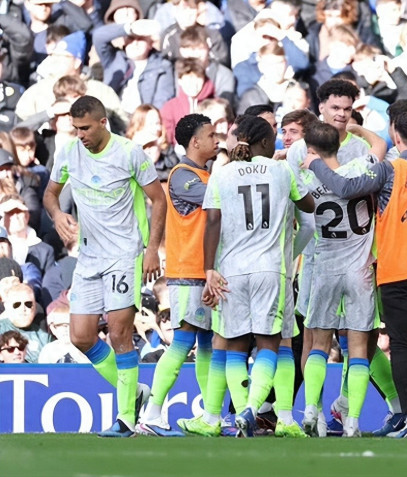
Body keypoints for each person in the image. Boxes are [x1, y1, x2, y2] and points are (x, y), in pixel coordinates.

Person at [304, 111, 407, 438]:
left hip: (385, 268)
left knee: (392, 344)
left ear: (396, 136)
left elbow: (342, 188)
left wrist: (312, 163)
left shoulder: (384, 170)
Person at [43, 95, 167, 438]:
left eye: (85, 128)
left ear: (103, 122)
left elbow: (158, 200)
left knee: (119, 334)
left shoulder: (129, 152)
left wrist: (152, 249)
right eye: (76, 128)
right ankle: (135, 391)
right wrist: (57, 214)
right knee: (80, 336)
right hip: (88, 257)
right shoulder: (69, 152)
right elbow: (50, 194)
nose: (80, 134)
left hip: (124, 255)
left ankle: (125, 419)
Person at [187, 115, 313, 439]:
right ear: (267, 142)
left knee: (235, 345)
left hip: (230, 271)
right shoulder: (281, 170)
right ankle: (253, 410)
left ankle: (237, 413)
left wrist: (209, 269)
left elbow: (211, 222)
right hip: (270, 268)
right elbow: (309, 207)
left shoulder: (222, 173)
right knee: (272, 343)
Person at [136, 114, 218, 437]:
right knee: (183, 342)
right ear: (195, 142)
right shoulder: (183, 176)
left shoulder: (204, 173)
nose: (217, 140)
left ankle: (210, 415)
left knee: (207, 343)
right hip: (188, 272)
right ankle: (152, 414)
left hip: (204, 272)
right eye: (211, 135)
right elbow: (217, 198)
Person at [299, 121, 377, 438]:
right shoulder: (361, 169)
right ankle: (352, 421)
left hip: (325, 268)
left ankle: (310, 409)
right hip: (360, 270)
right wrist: (360, 130)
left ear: (311, 151)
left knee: (318, 345)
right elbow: (380, 147)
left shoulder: (306, 180)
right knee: (357, 349)